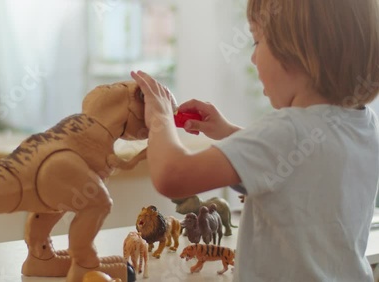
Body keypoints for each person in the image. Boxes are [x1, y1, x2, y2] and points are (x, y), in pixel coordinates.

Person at [130, 0, 379, 281]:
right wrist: (226, 131)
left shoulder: (289, 130)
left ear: (297, 51)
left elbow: (172, 175)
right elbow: (292, 167)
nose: (252, 58)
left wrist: (160, 118)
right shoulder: (362, 124)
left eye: (257, 41)